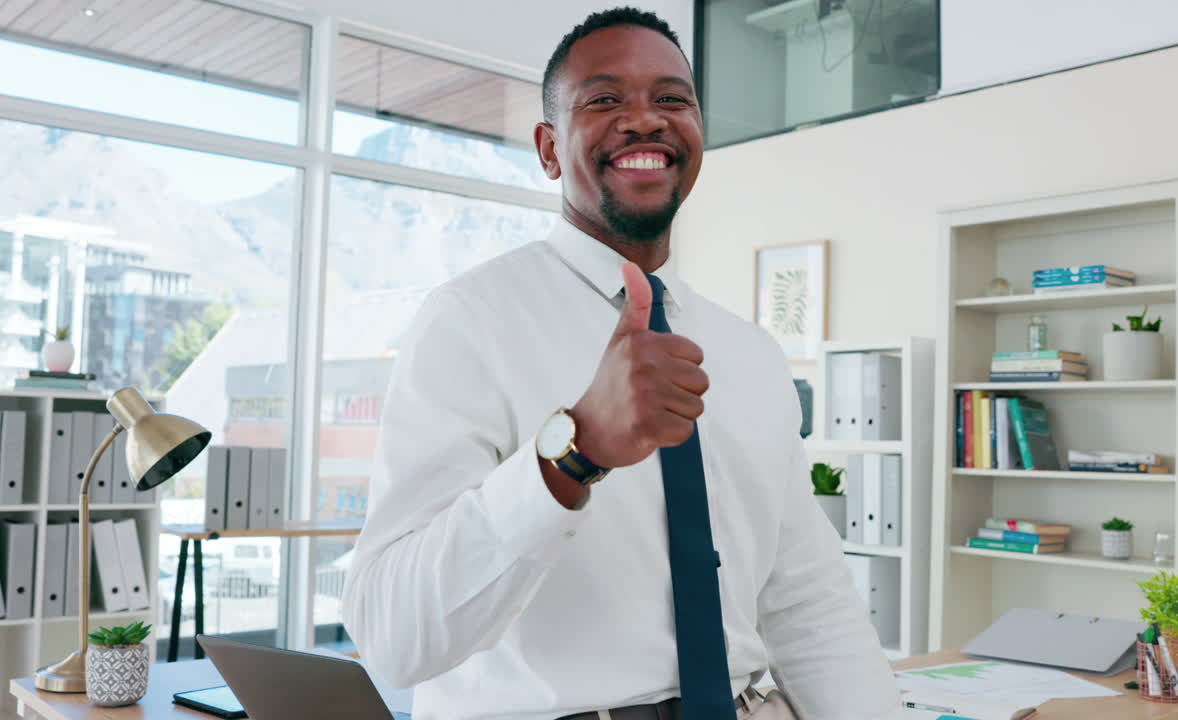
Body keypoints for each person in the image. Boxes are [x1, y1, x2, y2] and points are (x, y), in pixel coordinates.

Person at [341, 7, 904, 719]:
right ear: (549, 149)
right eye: (605, 99)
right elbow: (393, 637)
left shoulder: (750, 352)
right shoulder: (468, 322)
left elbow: (809, 601)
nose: (645, 119)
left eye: (672, 99)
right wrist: (572, 452)